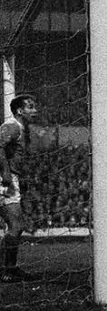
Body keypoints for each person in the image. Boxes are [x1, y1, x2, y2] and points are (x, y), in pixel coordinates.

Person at [0, 94, 38, 283]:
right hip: (4, 180)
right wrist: (6, 174)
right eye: (30, 107)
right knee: (15, 225)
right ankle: (8, 270)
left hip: (11, 179)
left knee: (15, 226)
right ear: (19, 111)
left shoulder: (22, 129)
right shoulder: (12, 126)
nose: (35, 110)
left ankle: (9, 269)